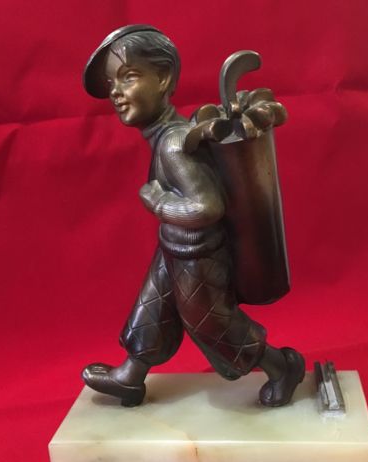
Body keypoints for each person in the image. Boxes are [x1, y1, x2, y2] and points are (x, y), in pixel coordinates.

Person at [81, 25, 305, 407]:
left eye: (128, 76)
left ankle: (282, 366)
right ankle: (131, 376)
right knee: (152, 309)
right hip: (175, 246)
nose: (115, 92)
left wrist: (157, 203)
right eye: (111, 82)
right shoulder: (167, 136)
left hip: (198, 257)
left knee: (214, 324)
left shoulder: (172, 144)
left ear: (163, 78)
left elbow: (206, 207)